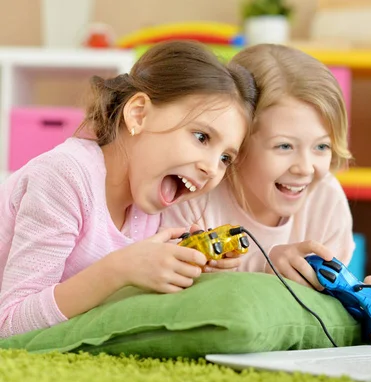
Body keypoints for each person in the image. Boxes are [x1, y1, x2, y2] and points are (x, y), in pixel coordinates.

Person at [0, 40, 258, 338]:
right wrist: (120, 270)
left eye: (226, 158)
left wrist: (185, 266)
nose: (212, 169)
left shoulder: (151, 200)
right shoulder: (63, 177)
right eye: (201, 137)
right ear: (138, 114)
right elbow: (9, 325)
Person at [161, 44, 371, 347]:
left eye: (321, 147)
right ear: (237, 146)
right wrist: (266, 273)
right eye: (284, 146)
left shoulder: (326, 200)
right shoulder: (194, 196)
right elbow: (170, 302)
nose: (306, 168)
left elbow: (331, 308)